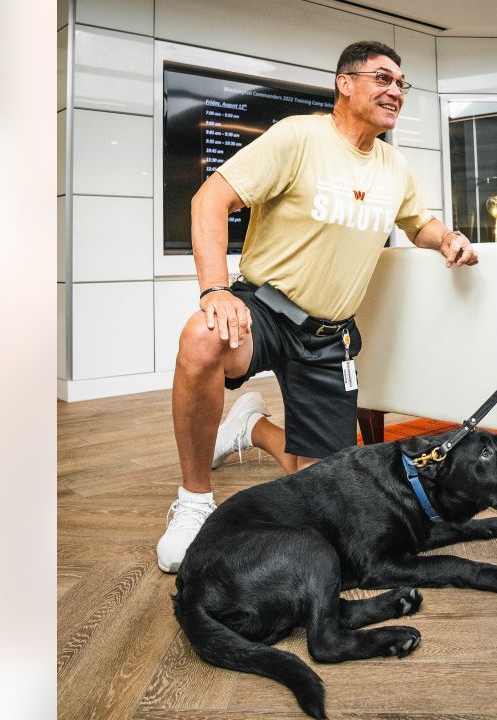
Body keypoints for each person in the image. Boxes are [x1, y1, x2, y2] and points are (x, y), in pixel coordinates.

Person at [156, 40, 479, 573]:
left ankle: (250, 430)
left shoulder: (394, 166)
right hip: (265, 310)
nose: (394, 91)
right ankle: (194, 500)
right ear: (344, 83)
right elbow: (209, 198)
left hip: (330, 337)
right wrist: (214, 289)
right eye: (381, 78)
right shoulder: (298, 137)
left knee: (328, 491)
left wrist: (447, 239)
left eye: (401, 83)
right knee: (201, 337)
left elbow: (418, 221)